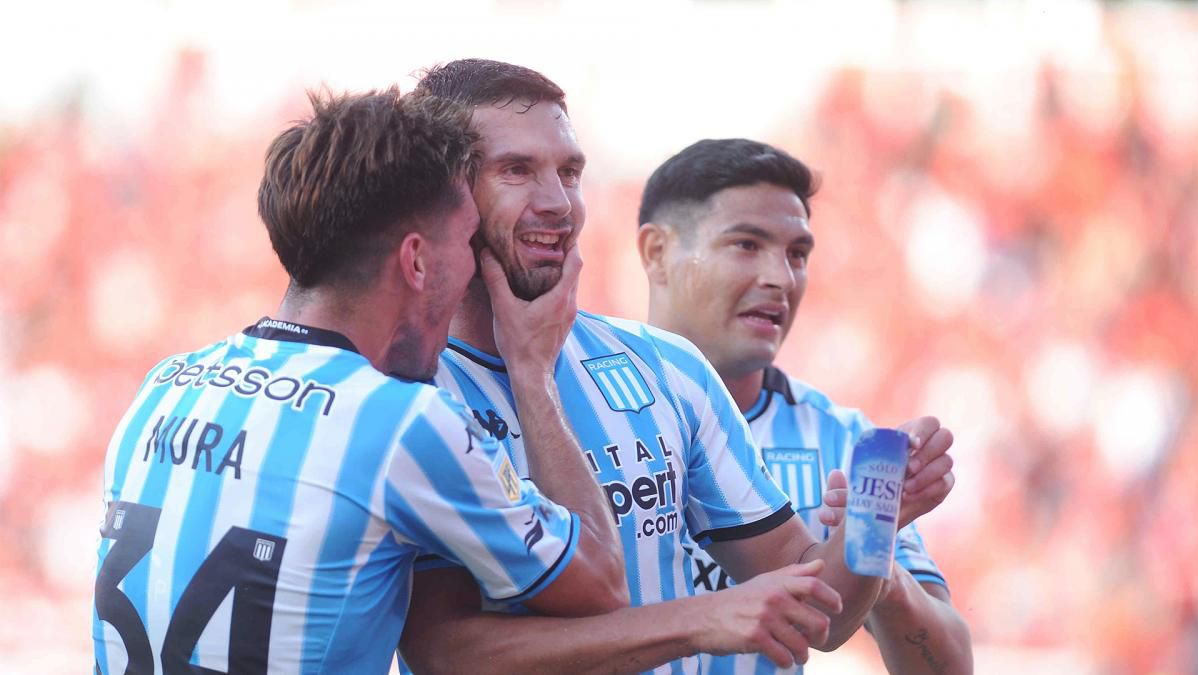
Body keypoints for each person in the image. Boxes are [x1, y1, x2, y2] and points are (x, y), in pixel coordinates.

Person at [397, 59, 956, 674]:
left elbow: (817, 612)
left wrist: (875, 516)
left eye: (570, 172)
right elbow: (443, 654)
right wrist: (696, 622)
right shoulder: (401, 390)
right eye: (516, 170)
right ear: (444, 193)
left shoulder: (667, 369)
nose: (558, 203)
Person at [92, 87, 628, 674]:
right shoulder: (403, 423)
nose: (473, 268)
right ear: (416, 261)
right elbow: (602, 580)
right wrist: (532, 370)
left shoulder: (165, 385)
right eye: (466, 242)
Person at [637, 138, 973, 673]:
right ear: (657, 252)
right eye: (747, 244)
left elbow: (948, 668)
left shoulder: (845, 444)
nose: (781, 277)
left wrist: (875, 557)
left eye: (797, 254)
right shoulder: (572, 406)